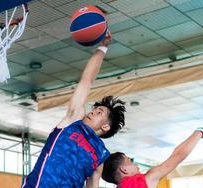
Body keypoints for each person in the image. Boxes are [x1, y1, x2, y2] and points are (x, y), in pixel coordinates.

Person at [22, 32, 126, 188]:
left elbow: (93, 185)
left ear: (105, 126)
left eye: (99, 113)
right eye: (95, 109)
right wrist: (102, 47)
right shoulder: (74, 119)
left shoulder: (100, 155)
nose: (93, 112)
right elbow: (86, 80)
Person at [102, 130, 203, 188]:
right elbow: (178, 156)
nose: (134, 163)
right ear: (124, 169)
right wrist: (199, 133)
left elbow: (170, 163)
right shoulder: (141, 182)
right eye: (129, 160)